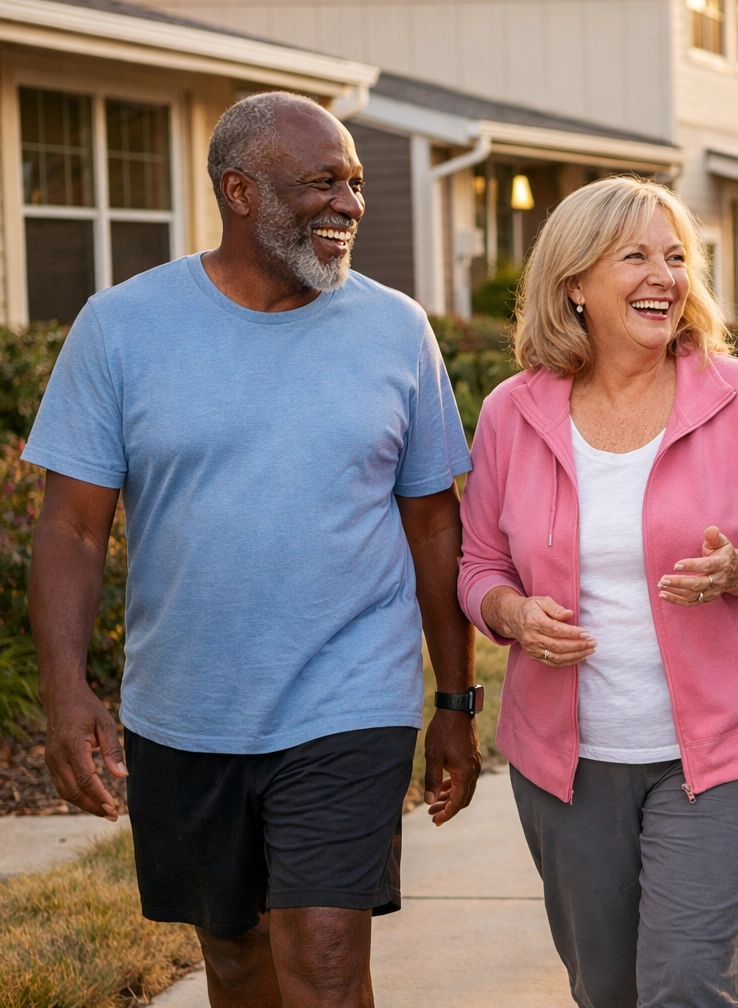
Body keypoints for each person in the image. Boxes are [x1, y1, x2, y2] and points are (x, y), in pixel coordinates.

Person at [24, 93, 479, 1008]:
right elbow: (72, 525)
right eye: (323, 183)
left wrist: (456, 702)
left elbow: (434, 524)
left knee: (323, 957)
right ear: (239, 190)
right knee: (235, 961)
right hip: (189, 706)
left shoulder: (396, 331)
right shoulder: (121, 327)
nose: (349, 203)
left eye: (354, 184)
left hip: (349, 700)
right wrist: (65, 690)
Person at [458, 176, 738, 1008]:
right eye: (635, 256)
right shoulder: (513, 413)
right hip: (568, 761)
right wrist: (514, 615)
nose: (664, 275)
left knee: (691, 983)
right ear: (574, 284)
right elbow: (478, 567)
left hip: (732, 751)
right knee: (609, 988)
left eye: (676, 257)